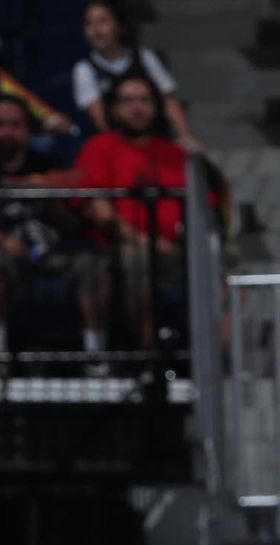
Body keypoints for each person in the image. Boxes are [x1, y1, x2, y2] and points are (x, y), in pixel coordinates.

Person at [0, 95, 108, 356]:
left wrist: (51, 197)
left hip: (50, 251)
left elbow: (70, 224)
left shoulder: (47, 166)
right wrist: (4, 241)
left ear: (28, 131)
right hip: (1, 251)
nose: (7, 132)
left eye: (16, 125)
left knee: (94, 262)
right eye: (0, 124)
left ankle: (96, 354)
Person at [74, 75, 194, 348]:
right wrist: (146, 241)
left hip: (178, 247)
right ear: (114, 109)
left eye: (144, 100)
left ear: (155, 107)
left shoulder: (175, 154)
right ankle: (147, 358)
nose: (137, 108)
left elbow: (203, 206)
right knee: (138, 261)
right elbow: (101, 211)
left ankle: (223, 360)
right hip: (125, 246)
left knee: (222, 261)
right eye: (128, 101)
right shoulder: (99, 147)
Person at [73, 1, 199, 148]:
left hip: (155, 140)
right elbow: (100, 119)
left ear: (119, 25)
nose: (96, 30)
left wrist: (187, 137)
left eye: (103, 21)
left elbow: (169, 100)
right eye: (89, 23)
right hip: (117, 146)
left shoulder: (145, 57)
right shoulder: (85, 70)